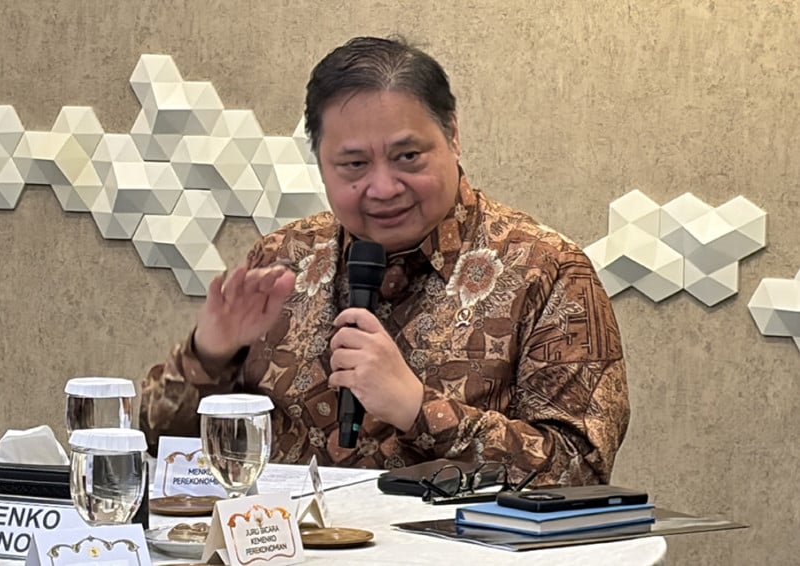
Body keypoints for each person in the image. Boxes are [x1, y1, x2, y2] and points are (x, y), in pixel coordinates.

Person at [140, 36, 630, 487]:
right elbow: (156, 444)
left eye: (407, 156)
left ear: (452, 136)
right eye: (354, 165)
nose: (382, 187)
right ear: (321, 164)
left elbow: (581, 473)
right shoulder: (283, 259)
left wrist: (419, 409)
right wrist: (208, 356)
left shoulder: (548, 270)